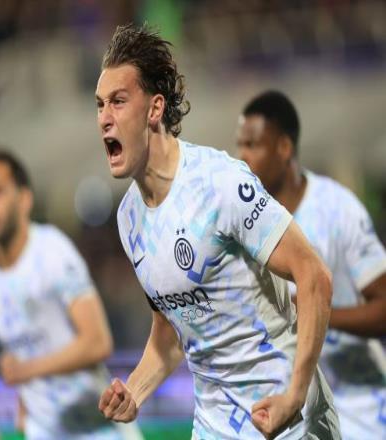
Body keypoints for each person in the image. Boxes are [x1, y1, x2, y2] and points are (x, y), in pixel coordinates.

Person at [95, 24, 340, 440]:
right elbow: (171, 331)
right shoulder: (128, 218)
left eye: (118, 101)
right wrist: (134, 391)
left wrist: (296, 395)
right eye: (100, 105)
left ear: (154, 109)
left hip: (284, 416)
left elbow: (314, 275)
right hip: (215, 424)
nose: (104, 118)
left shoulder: (219, 184)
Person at [236, 90, 386, 440]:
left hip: (359, 411)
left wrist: (316, 310)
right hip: (291, 412)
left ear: (284, 148)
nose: (242, 157)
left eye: (252, 145)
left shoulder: (336, 208)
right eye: (239, 145)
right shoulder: (244, 222)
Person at [0, 149, 142, 440]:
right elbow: (23, 343)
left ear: (24, 199)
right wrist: (24, 401)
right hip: (43, 430)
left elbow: (98, 343)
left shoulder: (52, 252)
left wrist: (26, 371)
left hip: (95, 427)